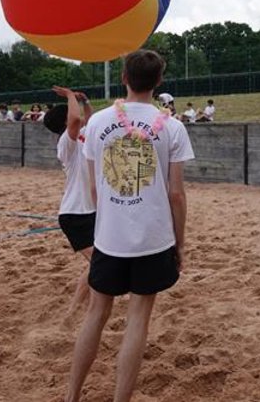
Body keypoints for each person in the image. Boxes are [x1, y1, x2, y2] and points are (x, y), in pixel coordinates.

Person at [65, 49, 194, 402]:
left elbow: (94, 188)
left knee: (96, 313)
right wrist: (180, 244)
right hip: (153, 238)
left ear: (124, 78)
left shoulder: (97, 124)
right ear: (159, 82)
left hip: (109, 237)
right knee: (138, 319)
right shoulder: (173, 126)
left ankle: (71, 396)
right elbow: (177, 194)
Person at [45, 86, 96, 316]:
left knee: (100, 262)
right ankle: (73, 310)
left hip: (91, 212)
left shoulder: (81, 135)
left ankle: (81, 306)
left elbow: (89, 121)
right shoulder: (66, 142)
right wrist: (68, 96)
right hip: (75, 215)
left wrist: (84, 102)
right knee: (100, 262)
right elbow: (75, 119)